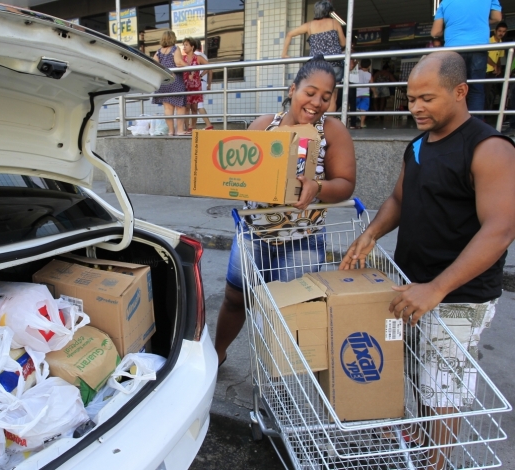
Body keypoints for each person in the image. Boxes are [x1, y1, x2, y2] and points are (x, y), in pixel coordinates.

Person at [340, 51, 515, 470]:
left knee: (443, 389)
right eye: (411, 98)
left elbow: (500, 229)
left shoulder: (489, 149)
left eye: (427, 99)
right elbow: (401, 198)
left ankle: (435, 463)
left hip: (457, 296)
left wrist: (436, 288)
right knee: (414, 369)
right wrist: (370, 234)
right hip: (410, 285)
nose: (415, 107)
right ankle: (416, 439)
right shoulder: (418, 144)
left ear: (460, 92)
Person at [215, 55, 356, 367]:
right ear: (293, 89)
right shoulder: (264, 126)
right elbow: (239, 175)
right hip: (254, 234)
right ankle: (217, 356)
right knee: (235, 298)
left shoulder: (332, 132)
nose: (317, 102)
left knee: (290, 314)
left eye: (326, 96)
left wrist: (317, 187)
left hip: (303, 240)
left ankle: (279, 384)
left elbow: (345, 183)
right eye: (310, 91)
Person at [431, 0, 503, 115]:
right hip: (478, 47)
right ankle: (475, 128)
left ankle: (454, 125)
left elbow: (435, 32)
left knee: (453, 89)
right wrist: (480, 22)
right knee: (476, 90)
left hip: (453, 50)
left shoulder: (445, 2)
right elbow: (497, 18)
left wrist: (452, 27)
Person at [282, 0, 346, 113]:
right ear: (328, 12)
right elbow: (343, 43)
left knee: (313, 94)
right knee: (331, 97)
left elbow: (289, 34)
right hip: (334, 64)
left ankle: (315, 121)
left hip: (316, 64)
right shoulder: (334, 23)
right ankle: (327, 126)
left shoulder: (309, 25)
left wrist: (284, 54)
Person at [151, 30, 188, 136]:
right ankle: (180, 130)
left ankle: (171, 131)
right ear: (173, 38)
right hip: (175, 81)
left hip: (163, 83)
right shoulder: (175, 49)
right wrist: (189, 67)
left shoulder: (158, 52)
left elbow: (154, 65)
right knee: (180, 106)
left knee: (168, 108)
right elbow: (178, 62)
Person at [182, 37, 208, 134]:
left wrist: (200, 75)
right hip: (185, 86)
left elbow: (209, 67)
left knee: (194, 108)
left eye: (186, 45)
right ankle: (186, 127)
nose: (184, 47)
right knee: (186, 107)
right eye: (184, 45)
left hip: (195, 86)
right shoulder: (182, 58)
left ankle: (193, 127)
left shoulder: (198, 58)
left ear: (192, 47)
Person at [486, 22, 508, 111]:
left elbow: (499, 57)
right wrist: (494, 66)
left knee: (498, 93)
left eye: (503, 31)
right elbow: (485, 55)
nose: (501, 33)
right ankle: (483, 116)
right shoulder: (488, 41)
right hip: (486, 71)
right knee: (486, 95)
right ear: (495, 31)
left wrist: (498, 68)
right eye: (499, 31)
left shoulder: (501, 43)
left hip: (494, 72)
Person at [193, 39, 214, 130]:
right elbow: (210, 71)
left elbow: (209, 68)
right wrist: (209, 84)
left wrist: (199, 75)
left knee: (198, 106)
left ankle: (208, 125)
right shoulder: (204, 55)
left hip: (199, 83)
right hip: (203, 83)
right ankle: (192, 126)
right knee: (196, 106)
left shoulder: (196, 56)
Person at [356, 59, 373, 128]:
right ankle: (362, 123)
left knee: (355, 108)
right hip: (365, 94)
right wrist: (375, 93)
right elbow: (372, 85)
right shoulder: (369, 75)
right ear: (369, 66)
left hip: (356, 94)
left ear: (360, 65)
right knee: (363, 108)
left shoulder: (357, 73)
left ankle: (352, 121)